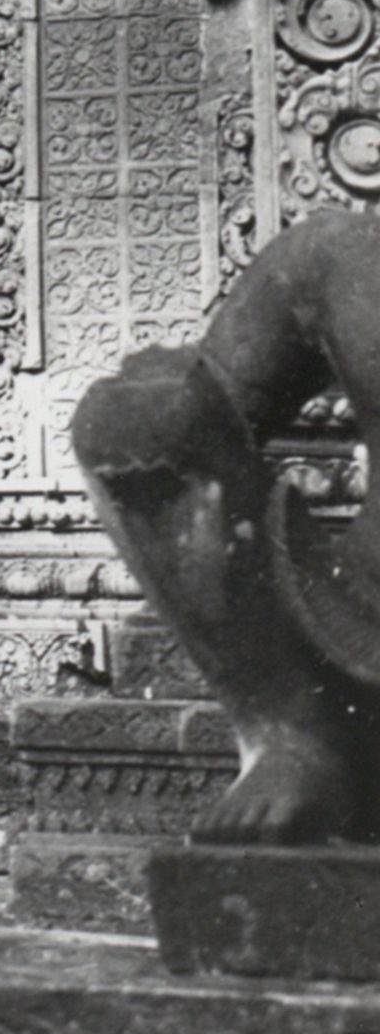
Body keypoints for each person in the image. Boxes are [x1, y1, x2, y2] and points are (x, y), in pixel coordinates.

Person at [74, 208, 380, 841]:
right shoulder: (341, 258)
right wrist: (162, 400)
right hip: (359, 620)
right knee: (136, 418)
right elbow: (209, 401)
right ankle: (291, 740)